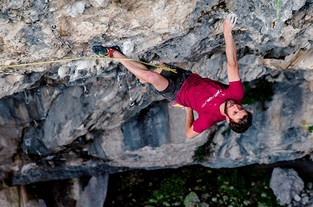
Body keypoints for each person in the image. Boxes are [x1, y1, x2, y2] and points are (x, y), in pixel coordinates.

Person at [92, 13, 252, 139]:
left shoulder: (209, 119)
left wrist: (189, 112)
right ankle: (141, 78)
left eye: (235, 113)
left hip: (177, 93)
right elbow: (232, 64)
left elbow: (189, 135)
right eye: (241, 108)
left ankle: (113, 53)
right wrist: (227, 32)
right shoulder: (236, 94)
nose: (235, 107)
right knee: (154, 69)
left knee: (152, 77)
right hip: (186, 77)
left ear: (228, 120)